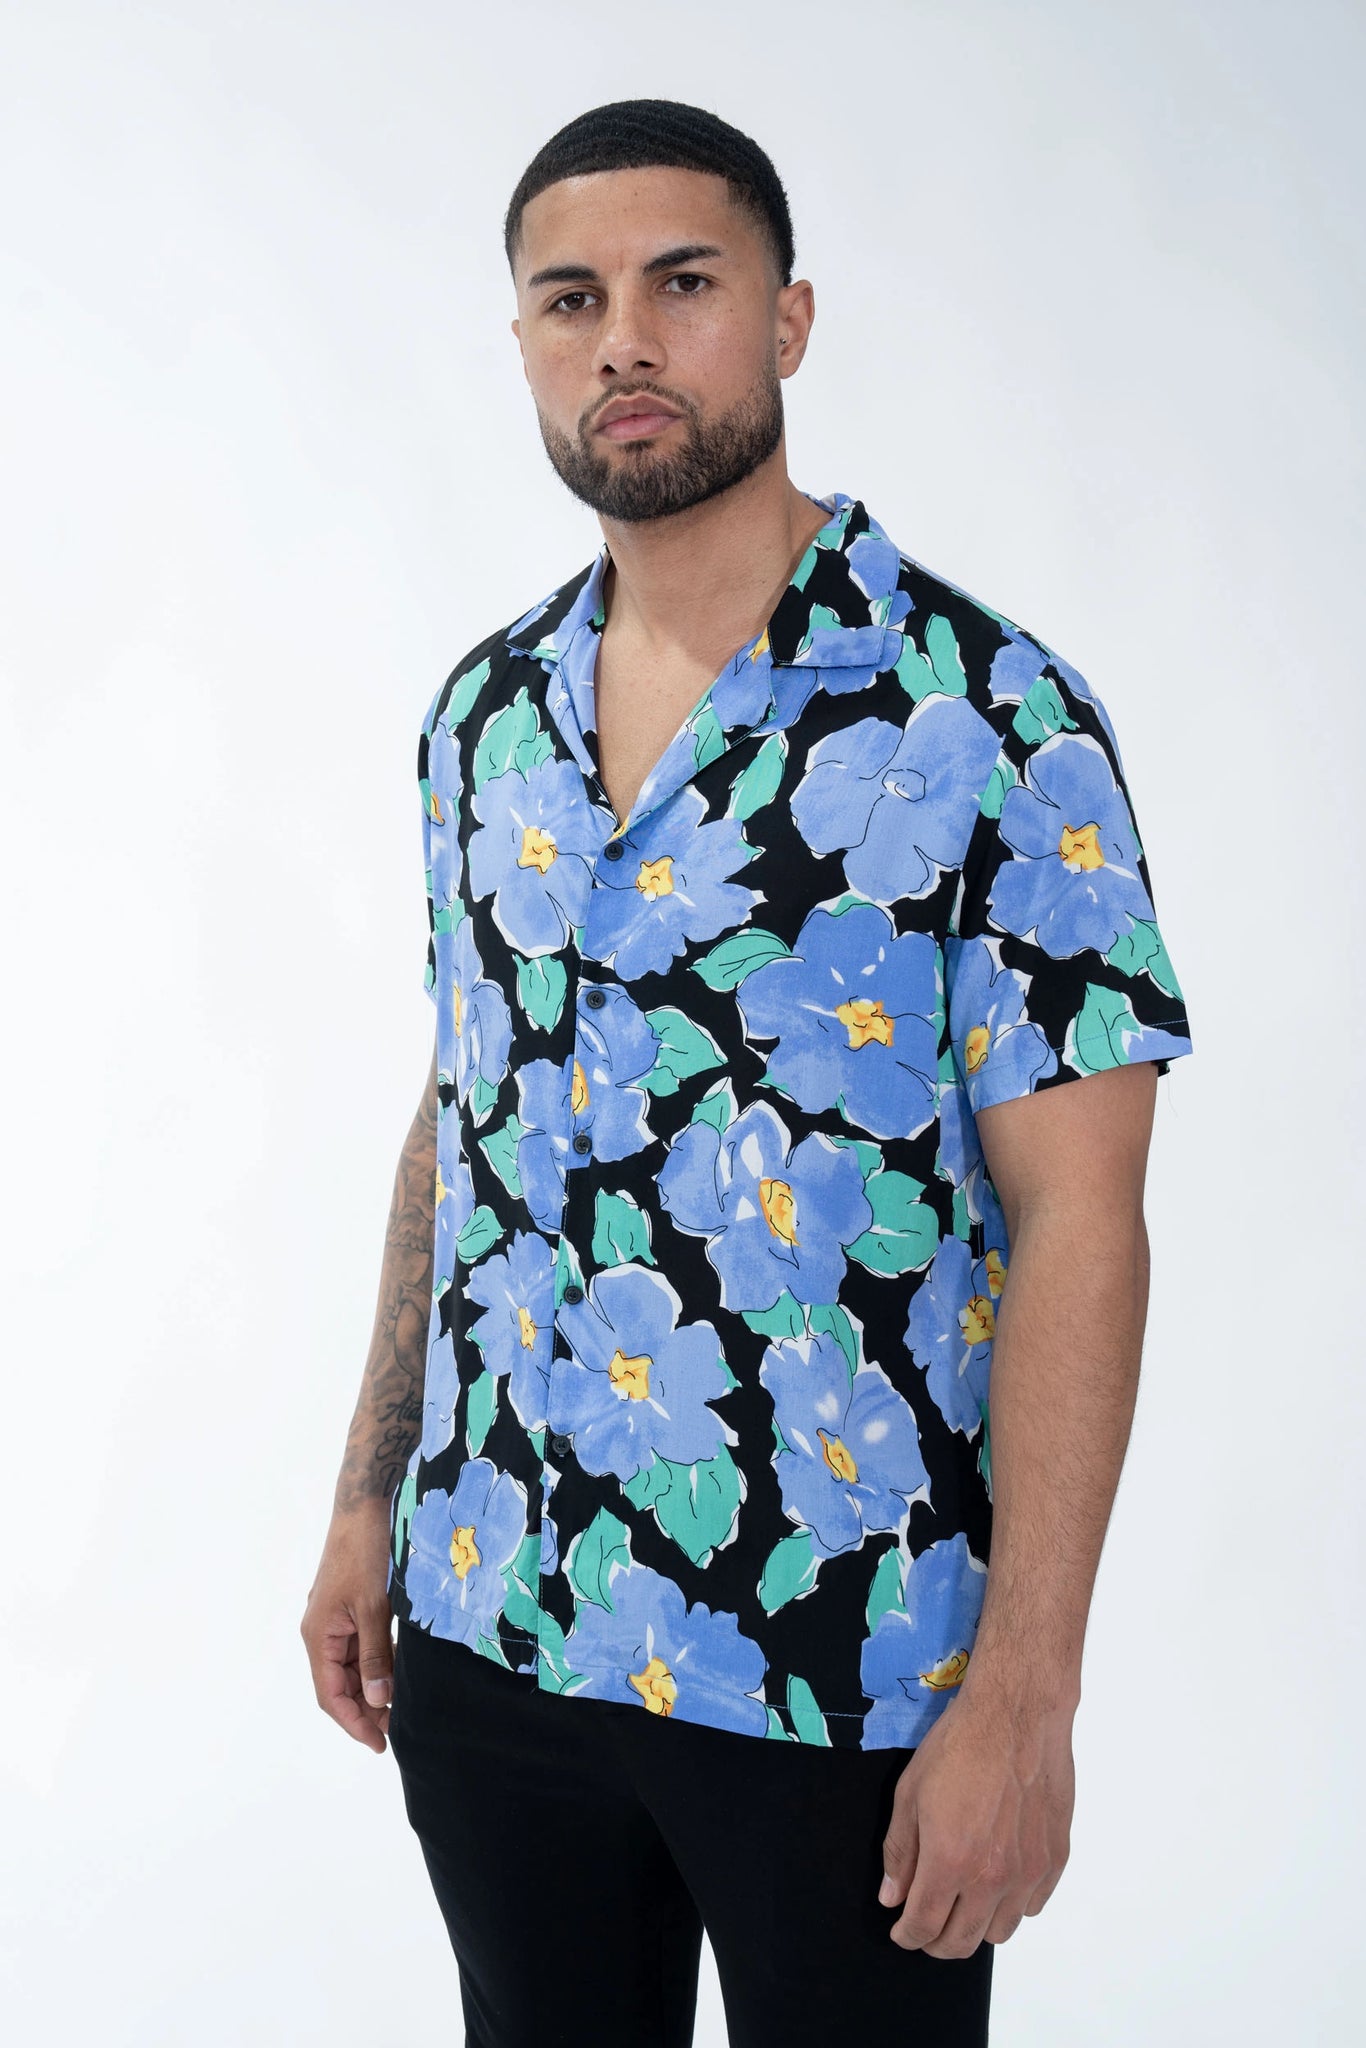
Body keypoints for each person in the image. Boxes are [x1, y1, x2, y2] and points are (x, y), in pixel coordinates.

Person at [300, 97, 1195, 2048]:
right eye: (569, 298)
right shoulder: (482, 716)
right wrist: (368, 1498)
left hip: (845, 1671)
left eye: (680, 283)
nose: (622, 338)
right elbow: (464, 1108)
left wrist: (1025, 1693)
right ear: (523, 343)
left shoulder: (984, 712)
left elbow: (1079, 1214)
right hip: (495, 1622)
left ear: (786, 319)